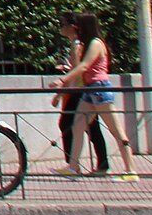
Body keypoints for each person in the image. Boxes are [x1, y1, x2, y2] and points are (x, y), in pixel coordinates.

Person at [64, 12, 137, 182]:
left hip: (99, 89)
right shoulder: (89, 43)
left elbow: (84, 66)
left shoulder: (96, 44)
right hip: (91, 90)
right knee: (77, 126)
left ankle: (131, 170)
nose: (77, 30)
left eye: (79, 27)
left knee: (116, 131)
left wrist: (63, 80)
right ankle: (73, 167)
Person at [51, 12, 108, 175]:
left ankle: (72, 165)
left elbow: (78, 71)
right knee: (91, 127)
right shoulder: (79, 44)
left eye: (62, 24)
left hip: (79, 91)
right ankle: (100, 164)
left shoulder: (77, 45)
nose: (60, 28)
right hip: (83, 89)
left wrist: (59, 93)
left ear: (72, 27)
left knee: (67, 124)